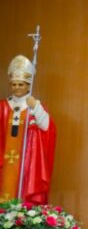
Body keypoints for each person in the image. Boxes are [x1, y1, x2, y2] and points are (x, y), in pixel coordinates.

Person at [1, 54, 56, 205]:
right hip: (4, 160)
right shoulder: (3, 106)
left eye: (21, 84)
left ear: (28, 85)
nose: (17, 88)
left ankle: (22, 213)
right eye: (14, 84)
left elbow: (47, 128)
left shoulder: (34, 105)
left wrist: (36, 107)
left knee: (22, 191)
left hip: (27, 160)